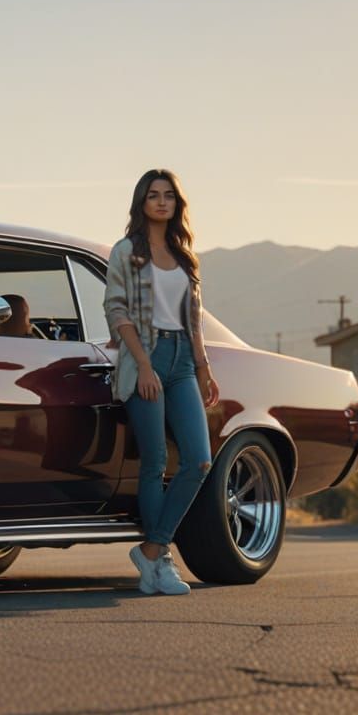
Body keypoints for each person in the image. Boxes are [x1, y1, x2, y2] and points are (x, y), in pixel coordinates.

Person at [103, 168, 220, 596]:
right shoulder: (126, 252)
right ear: (142, 201)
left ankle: (152, 549)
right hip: (146, 358)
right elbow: (116, 309)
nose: (161, 202)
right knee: (153, 461)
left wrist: (204, 367)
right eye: (153, 195)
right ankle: (159, 562)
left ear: (177, 203)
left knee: (199, 461)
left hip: (182, 361)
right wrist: (143, 365)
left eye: (169, 195)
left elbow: (194, 319)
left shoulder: (185, 256)